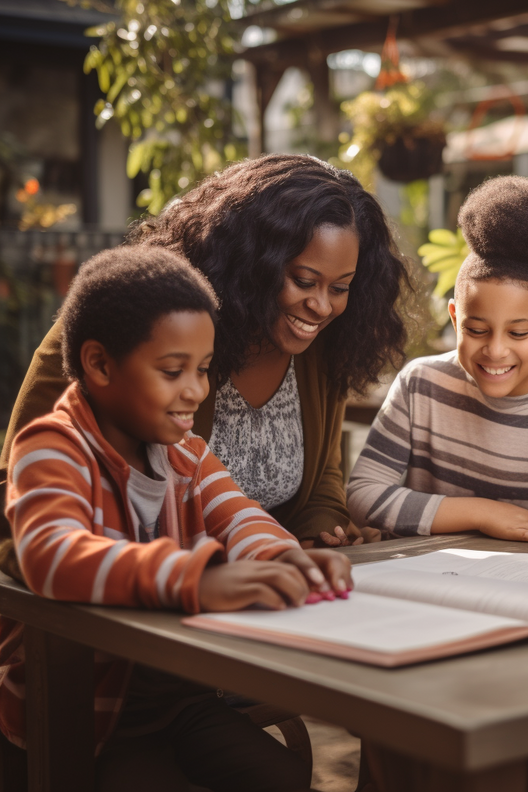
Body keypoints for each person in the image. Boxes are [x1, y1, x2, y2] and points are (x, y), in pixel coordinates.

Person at [0, 245, 352, 792]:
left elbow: (238, 516)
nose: (196, 390)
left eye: (205, 370)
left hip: (178, 700)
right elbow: (52, 557)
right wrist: (198, 579)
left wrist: (287, 559)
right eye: (173, 371)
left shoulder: (184, 450)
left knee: (283, 774)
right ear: (99, 364)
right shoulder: (51, 447)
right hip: (83, 715)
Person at [0, 154, 409, 569]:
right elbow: (25, 521)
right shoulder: (128, 324)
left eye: (340, 287)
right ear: (252, 263)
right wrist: (198, 576)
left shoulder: (190, 453)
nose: (321, 306)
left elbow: (249, 512)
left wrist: (305, 542)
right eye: (303, 281)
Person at [346, 175, 528, 545]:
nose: (496, 351)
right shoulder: (420, 384)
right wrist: (483, 513)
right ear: (455, 318)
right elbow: (361, 495)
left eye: (518, 333)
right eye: (476, 330)